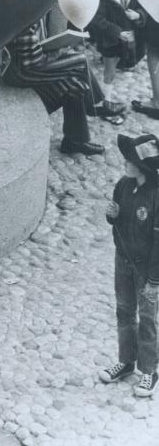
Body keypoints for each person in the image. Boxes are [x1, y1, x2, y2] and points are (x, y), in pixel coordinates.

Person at [100, 133, 159, 398]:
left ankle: (149, 371)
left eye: (131, 159)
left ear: (144, 166)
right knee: (124, 311)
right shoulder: (124, 185)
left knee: (147, 319)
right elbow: (118, 220)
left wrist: (154, 280)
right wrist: (111, 217)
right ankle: (126, 362)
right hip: (122, 260)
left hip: (146, 269)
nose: (125, 162)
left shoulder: (156, 196)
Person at [0, 21, 106, 156]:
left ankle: (74, 141)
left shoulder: (34, 10)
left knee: (76, 86)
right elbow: (34, 63)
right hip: (20, 73)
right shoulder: (26, 16)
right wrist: (59, 52)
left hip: (23, 66)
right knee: (81, 61)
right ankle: (94, 106)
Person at [89, 0, 145, 95]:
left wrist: (138, 15)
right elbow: (98, 20)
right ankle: (106, 98)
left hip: (126, 39)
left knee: (120, 61)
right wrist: (117, 32)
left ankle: (106, 94)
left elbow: (142, 8)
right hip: (110, 40)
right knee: (110, 71)